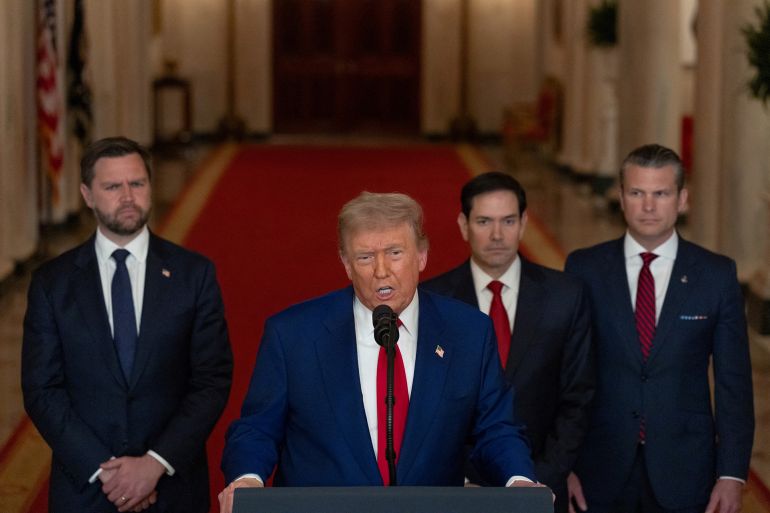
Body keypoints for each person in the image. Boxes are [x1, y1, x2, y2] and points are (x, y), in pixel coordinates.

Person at [219, 191, 540, 513]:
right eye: (365, 257)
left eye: (395, 253)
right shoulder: (292, 334)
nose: (381, 270)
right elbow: (257, 428)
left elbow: (496, 428)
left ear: (422, 256)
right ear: (346, 264)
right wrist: (248, 479)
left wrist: (520, 481)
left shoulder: (468, 332)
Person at [22, 136, 233, 513]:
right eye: (112, 186)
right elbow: (42, 389)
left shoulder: (193, 274)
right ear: (87, 195)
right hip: (85, 489)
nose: (127, 196)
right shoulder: (52, 284)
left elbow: (212, 380)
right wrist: (107, 473)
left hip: (172, 487)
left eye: (137, 183)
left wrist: (154, 464)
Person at [564, 144, 754, 513]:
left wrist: (732, 475)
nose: (648, 206)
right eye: (637, 193)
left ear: (682, 199)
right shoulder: (584, 269)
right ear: (621, 198)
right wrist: (563, 466)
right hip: (597, 469)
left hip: (686, 470)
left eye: (661, 194)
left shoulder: (716, 275)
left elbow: (734, 385)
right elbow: (566, 375)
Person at [421, 171, 594, 513]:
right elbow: (426, 405)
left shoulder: (566, 296)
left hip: (543, 485)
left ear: (524, 223)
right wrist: (459, 482)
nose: (497, 234)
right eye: (484, 221)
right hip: (457, 488)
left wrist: (538, 480)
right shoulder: (432, 301)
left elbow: (579, 397)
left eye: (508, 221)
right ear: (463, 224)